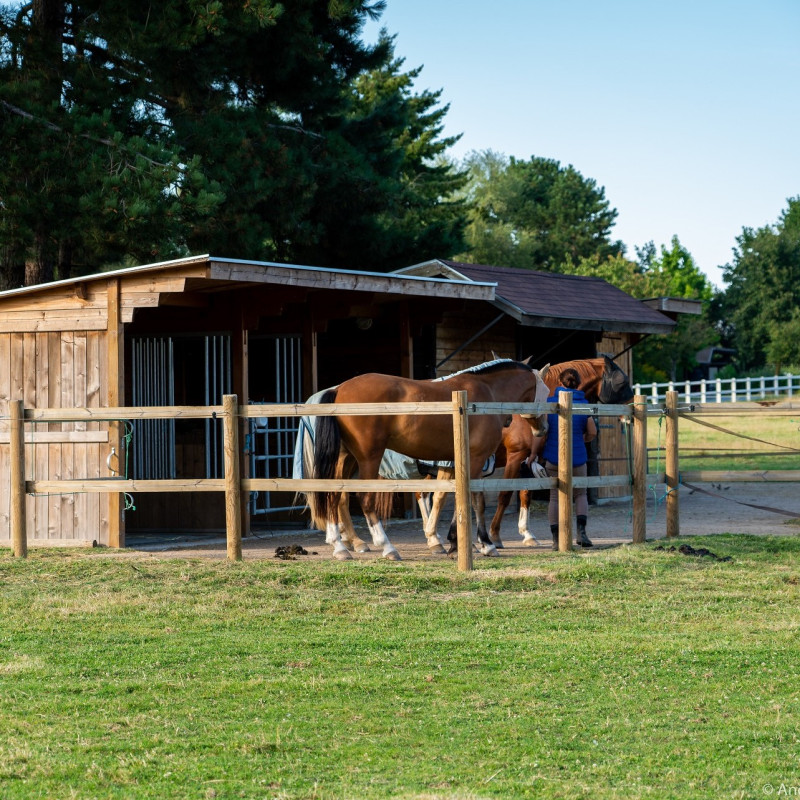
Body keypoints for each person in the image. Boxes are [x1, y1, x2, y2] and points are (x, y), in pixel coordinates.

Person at [529, 367, 597, 549]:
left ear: (559, 383)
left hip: (553, 458)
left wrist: (533, 454)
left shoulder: (550, 404)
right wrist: (582, 439)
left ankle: (556, 539)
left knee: (554, 497)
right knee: (581, 494)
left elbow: (540, 433)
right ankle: (582, 534)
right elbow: (592, 432)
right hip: (578, 458)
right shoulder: (584, 405)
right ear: (578, 383)